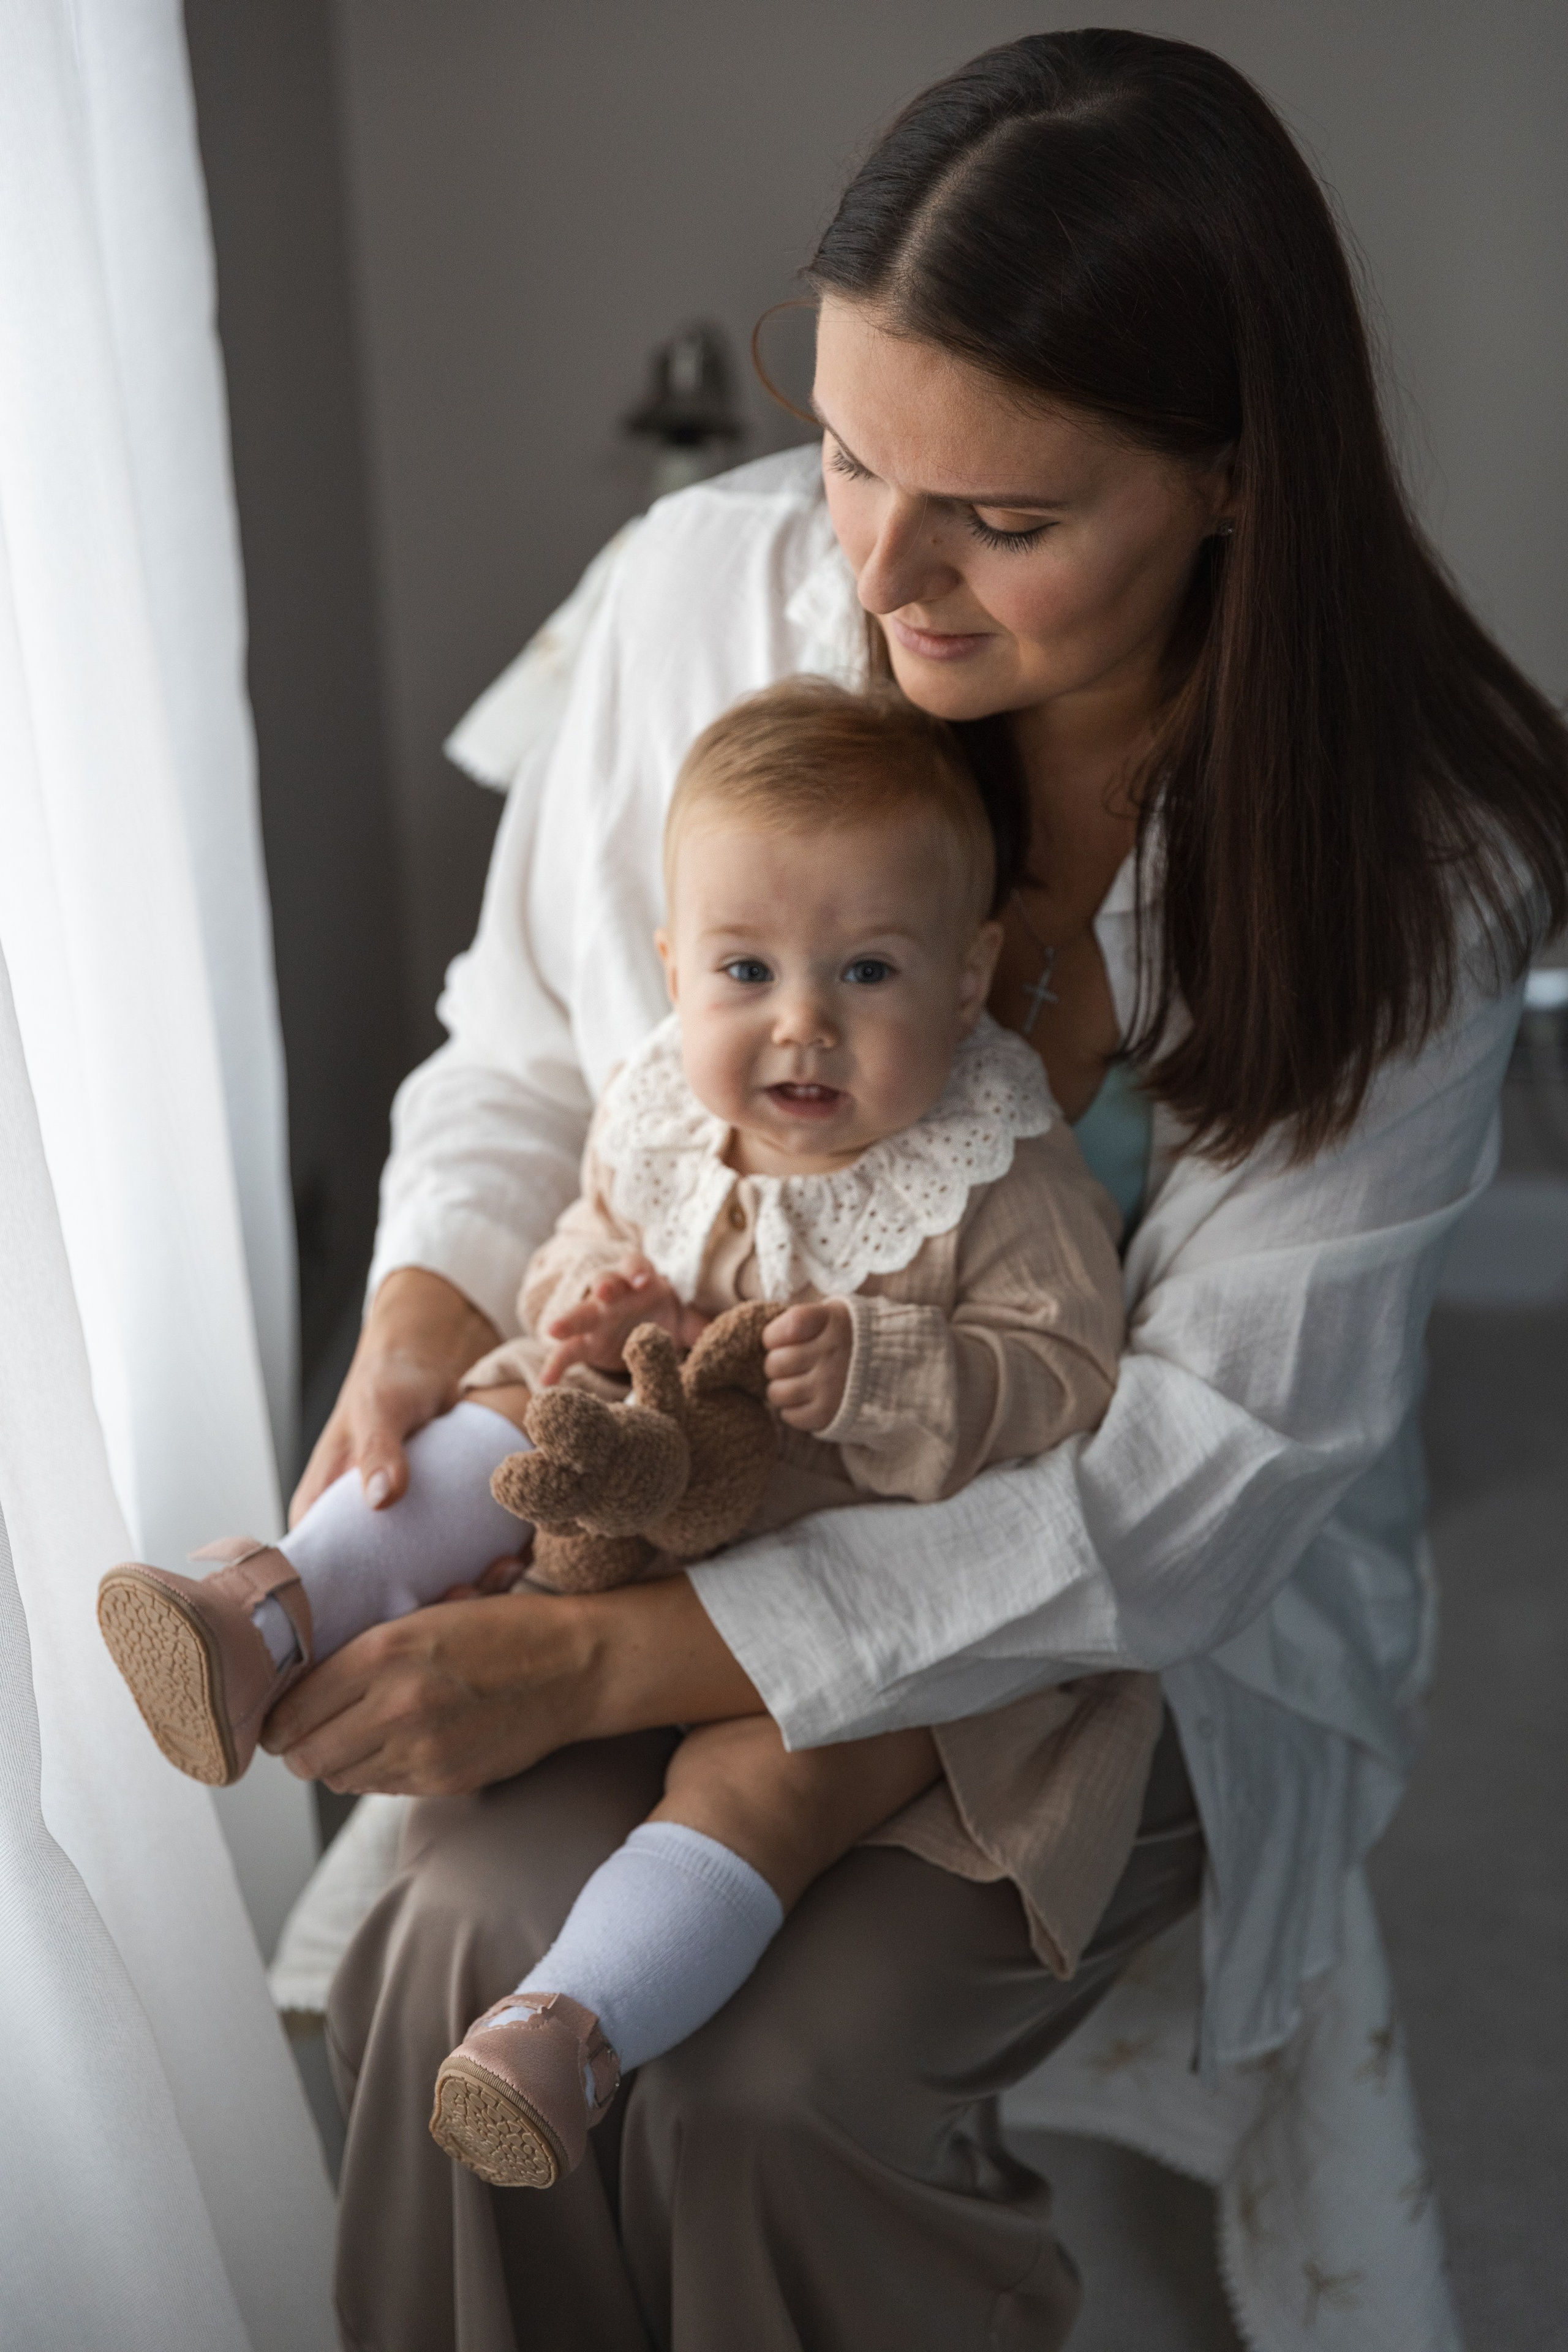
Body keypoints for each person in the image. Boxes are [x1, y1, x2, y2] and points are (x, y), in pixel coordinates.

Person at [266, 29, 1567, 2352]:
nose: (879, 566)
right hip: (680, 1493)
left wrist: (603, 1660)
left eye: (1006, 516)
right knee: (461, 1951)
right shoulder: (702, 588)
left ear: (1235, 486)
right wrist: (421, 1336)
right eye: (852, 449)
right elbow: (526, 1052)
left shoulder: (1408, 868)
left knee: (790, 2088)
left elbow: (1202, 1486)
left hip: (1126, 1620)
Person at [99, 679, 1155, 2197]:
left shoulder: (996, 1165)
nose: (803, 1022)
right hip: (633, 1487)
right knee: (498, 1421)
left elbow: (1068, 1368)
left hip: (841, 1567)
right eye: (745, 968)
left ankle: (566, 2027)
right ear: (673, 969)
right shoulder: (662, 1103)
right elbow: (576, 1236)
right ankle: (263, 1608)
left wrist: (884, 1362)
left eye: (867, 970)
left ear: (972, 971)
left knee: (764, 1788)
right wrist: (590, 1302)